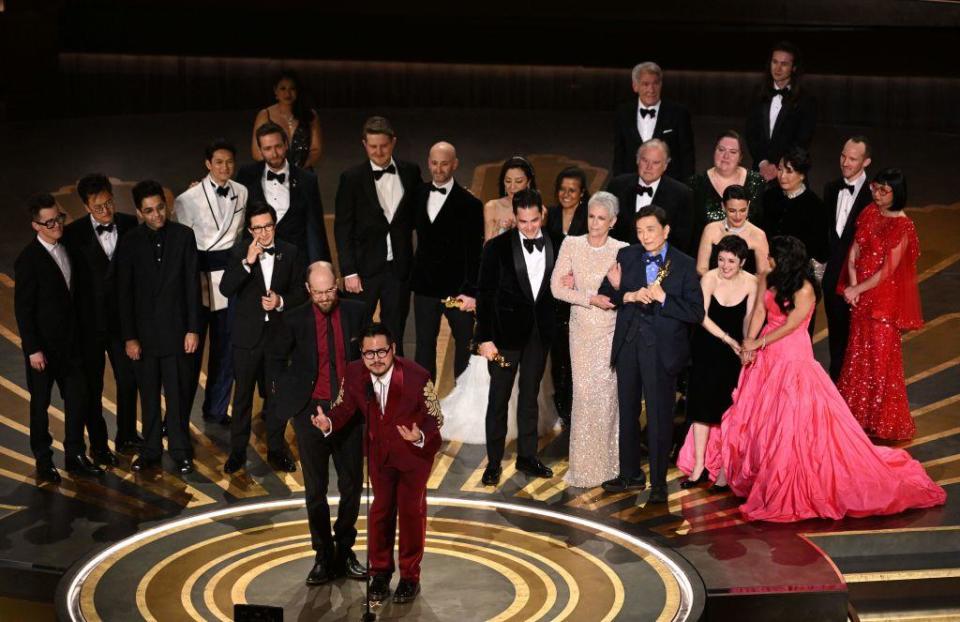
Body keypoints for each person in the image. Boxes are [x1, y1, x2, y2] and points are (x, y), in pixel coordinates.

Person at [703, 236, 944, 522]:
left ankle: (789, 479)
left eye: (771, 255)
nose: (765, 259)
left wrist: (761, 343)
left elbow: (792, 326)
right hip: (767, 357)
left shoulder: (805, 290)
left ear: (785, 259)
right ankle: (755, 474)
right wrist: (749, 342)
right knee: (754, 413)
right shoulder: (769, 278)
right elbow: (758, 312)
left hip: (792, 356)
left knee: (791, 422)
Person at [314, 323, 442, 604]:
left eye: (381, 351)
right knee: (380, 513)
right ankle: (380, 573)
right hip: (379, 456)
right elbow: (345, 406)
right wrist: (329, 422)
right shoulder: (355, 372)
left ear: (393, 349)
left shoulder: (418, 376)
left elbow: (436, 419)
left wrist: (419, 435)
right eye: (368, 353)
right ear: (361, 353)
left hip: (413, 457)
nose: (376, 359)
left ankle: (410, 577)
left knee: (410, 514)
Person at [598, 205, 704, 503]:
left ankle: (658, 484)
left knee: (659, 417)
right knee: (628, 411)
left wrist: (664, 298)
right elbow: (607, 293)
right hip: (629, 344)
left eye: (651, 230)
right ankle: (630, 474)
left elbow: (696, 312)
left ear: (666, 230)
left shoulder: (683, 264)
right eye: (640, 230)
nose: (644, 236)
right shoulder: (627, 255)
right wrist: (626, 294)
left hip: (662, 350)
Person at [272, 262, 368, 584]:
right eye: (319, 292)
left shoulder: (357, 312)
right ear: (308, 290)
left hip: (349, 410)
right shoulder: (295, 318)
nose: (325, 297)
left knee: (352, 484)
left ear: (337, 284)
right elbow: (277, 360)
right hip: (310, 412)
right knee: (315, 489)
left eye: (330, 290)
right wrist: (292, 398)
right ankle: (323, 555)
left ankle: (345, 548)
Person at [117, 181, 201, 474]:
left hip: (178, 333)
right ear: (139, 212)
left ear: (166, 205)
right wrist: (129, 337)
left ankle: (180, 450)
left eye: (160, 208)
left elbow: (192, 285)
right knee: (149, 396)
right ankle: (151, 449)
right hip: (144, 337)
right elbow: (124, 294)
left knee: (177, 396)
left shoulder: (184, 236)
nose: (157, 215)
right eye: (149, 211)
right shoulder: (129, 242)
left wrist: (193, 329)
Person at [14, 194, 99, 482]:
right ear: (35, 225)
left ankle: (75, 455)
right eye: (48, 222)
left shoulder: (68, 248)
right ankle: (43, 460)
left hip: (72, 347)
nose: (55, 225)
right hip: (43, 351)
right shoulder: (28, 260)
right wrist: (33, 349)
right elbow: (23, 310)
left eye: (58, 219)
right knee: (40, 405)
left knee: (77, 401)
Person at [476, 189, 557, 486]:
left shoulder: (555, 243)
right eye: (523, 222)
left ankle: (527, 456)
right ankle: (494, 463)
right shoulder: (495, 248)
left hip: (539, 335)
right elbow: (484, 295)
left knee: (530, 399)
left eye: (534, 220)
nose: (529, 227)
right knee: (498, 400)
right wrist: (484, 338)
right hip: (503, 337)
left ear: (542, 214)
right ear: (515, 217)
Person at [219, 202, 306, 474]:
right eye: (258, 228)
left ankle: (277, 451)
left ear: (274, 225)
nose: (264, 233)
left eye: (268, 226)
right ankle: (237, 453)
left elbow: (301, 294)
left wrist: (280, 301)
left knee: (276, 398)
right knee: (243, 397)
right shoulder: (239, 252)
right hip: (247, 338)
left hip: (278, 338)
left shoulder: (290, 252)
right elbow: (225, 288)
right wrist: (248, 262)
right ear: (250, 229)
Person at [838, 169, 923, 441]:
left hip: (883, 301)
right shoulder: (869, 212)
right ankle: (858, 416)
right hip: (861, 295)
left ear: (896, 194)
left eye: (883, 191)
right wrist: (853, 287)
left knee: (880, 360)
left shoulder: (903, 226)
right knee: (857, 356)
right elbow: (854, 251)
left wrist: (857, 289)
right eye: (876, 188)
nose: (876, 194)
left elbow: (887, 270)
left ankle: (882, 421)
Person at [549, 192, 627, 487]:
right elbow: (556, 288)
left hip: (610, 331)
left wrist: (619, 287)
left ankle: (610, 466)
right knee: (583, 395)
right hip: (581, 332)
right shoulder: (572, 243)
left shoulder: (622, 249)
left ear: (613, 222)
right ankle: (583, 467)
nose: (595, 224)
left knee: (607, 398)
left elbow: (629, 292)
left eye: (601, 219)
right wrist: (589, 298)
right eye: (591, 217)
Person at [62, 174, 140, 457]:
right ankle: (98, 445)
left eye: (109, 203)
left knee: (129, 380)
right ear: (86, 206)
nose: (106, 211)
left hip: (123, 323)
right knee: (92, 387)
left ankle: (128, 436)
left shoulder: (131, 225)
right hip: (90, 326)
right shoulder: (73, 235)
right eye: (98, 207)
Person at [175, 139, 248, 427]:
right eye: (218, 162)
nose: (224, 167)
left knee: (226, 348)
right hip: (199, 280)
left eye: (229, 162)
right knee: (191, 353)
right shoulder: (187, 199)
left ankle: (216, 408)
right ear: (208, 164)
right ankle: (177, 416)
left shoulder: (242, 192)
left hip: (229, 279)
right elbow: (183, 245)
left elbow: (240, 236)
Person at [334, 116, 422, 354]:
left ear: (393, 143)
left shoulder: (411, 172)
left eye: (383, 145)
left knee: (395, 333)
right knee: (357, 332)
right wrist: (349, 271)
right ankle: (356, 386)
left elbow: (419, 216)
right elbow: (343, 228)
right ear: (364, 145)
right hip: (363, 271)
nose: (379, 151)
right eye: (373, 146)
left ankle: (395, 387)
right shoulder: (351, 178)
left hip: (399, 269)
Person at [677, 235, 756, 489]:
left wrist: (744, 344)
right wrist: (727, 339)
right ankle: (699, 466)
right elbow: (701, 315)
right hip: (708, 346)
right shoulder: (709, 278)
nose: (724, 266)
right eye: (721, 259)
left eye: (731, 261)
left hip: (733, 354)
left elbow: (748, 319)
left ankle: (724, 469)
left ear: (742, 262)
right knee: (701, 409)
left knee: (727, 412)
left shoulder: (752, 283)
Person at [410, 141, 484, 380]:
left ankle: (460, 401)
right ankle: (425, 404)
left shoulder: (470, 204)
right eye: (434, 163)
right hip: (425, 288)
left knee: (464, 345)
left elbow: (475, 252)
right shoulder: (417, 194)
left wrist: (471, 291)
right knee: (423, 347)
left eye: (444, 164)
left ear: (455, 165)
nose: (438, 169)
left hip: (457, 291)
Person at [237, 121, 330, 264]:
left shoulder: (307, 179)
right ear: (260, 150)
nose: (274, 154)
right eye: (267, 148)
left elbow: (315, 229)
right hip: (258, 262)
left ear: (286, 145)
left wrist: (321, 266)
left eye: (278, 146)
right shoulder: (247, 176)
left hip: (297, 262)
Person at [822, 137, 874, 381]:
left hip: (860, 282)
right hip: (833, 279)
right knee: (836, 339)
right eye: (843, 156)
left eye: (853, 158)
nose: (845, 162)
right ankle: (836, 389)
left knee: (859, 340)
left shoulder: (875, 195)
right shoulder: (831, 189)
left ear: (866, 162)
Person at [545, 166, 590, 429]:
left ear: (582, 193)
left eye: (572, 190)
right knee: (556, 356)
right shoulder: (548, 215)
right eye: (562, 189)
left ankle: (574, 409)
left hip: (577, 298)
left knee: (575, 358)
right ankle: (560, 407)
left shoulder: (589, 219)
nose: (566, 194)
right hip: (551, 297)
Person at [745, 41, 817, 182]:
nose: (777, 68)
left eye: (784, 64)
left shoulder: (806, 100)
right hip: (760, 171)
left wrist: (779, 166)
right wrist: (763, 163)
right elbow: (751, 133)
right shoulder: (758, 93)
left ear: (794, 68)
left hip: (790, 173)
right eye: (774, 62)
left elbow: (802, 141)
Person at [607, 139, 694, 254]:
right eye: (644, 160)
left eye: (656, 162)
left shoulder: (682, 194)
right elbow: (606, 227)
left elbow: (683, 241)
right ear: (637, 160)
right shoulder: (617, 186)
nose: (649, 167)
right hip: (619, 258)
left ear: (665, 165)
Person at [612, 61, 695, 180]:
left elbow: (687, 156)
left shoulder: (679, 113)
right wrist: (619, 186)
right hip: (632, 185)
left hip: (669, 186)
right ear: (635, 86)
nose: (651, 89)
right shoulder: (623, 113)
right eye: (645, 84)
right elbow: (619, 156)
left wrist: (687, 190)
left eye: (655, 83)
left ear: (661, 84)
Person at [760, 147, 829, 286]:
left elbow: (820, 253)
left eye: (789, 171)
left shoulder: (815, 206)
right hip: (765, 272)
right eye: (780, 169)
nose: (782, 176)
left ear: (802, 175)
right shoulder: (769, 196)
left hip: (797, 280)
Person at [688, 130, 766, 246]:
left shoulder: (757, 182)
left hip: (747, 255)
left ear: (740, 157)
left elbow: (762, 226)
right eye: (721, 150)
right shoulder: (695, 183)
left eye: (733, 152)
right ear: (714, 152)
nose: (726, 156)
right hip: (707, 255)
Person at [251, 70, 322, 170]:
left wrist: (298, 170)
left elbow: (316, 150)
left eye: (292, 88)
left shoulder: (310, 114)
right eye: (283, 88)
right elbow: (257, 153)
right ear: (275, 91)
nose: (287, 93)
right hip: (274, 175)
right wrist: (280, 170)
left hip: (303, 174)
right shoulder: (264, 115)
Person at [696, 184, 769, 276]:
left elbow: (763, 274)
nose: (738, 216)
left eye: (743, 210)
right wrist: (717, 284)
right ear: (723, 206)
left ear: (748, 205)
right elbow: (701, 268)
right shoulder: (711, 230)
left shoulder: (758, 235)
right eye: (732, 211)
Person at [483, 155, 536, 242]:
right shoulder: (492, 207)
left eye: (518, 181)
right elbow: (487, 249)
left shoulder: (539, 210)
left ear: (528, 183)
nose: (512, 187)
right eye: (508, 181)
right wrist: (499, 232)